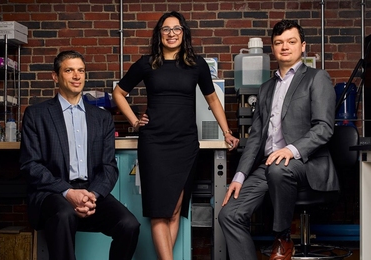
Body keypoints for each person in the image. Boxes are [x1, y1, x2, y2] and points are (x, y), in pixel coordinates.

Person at [112, 11, 239, 260]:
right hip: (154, 144)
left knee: (174, 210)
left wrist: (226, 131)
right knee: (159, 211)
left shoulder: (196, 64)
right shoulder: (146, 64)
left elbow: (212, 98)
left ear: (184, 33)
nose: (172, 34)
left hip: (185, 143)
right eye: (166, 29)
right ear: (159, 35)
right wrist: (135, 122)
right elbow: (118, 93)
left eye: (177, 29)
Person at [218, 19, 339, 260]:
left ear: (302, 46)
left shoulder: (317, 78)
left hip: (306, 163)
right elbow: (254, 138)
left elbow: (324, 128)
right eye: (279, 43)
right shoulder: (265, 88)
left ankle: (282, 237)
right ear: (273, 49)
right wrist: (239, 177)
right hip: (268, 167)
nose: (285, 47)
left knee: (277, 168)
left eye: (291, 42)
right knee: (228, 214)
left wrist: (291, 149)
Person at [20, 50, 140, 260]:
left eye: (81, 71)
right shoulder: (36, 114)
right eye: (69, 70)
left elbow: (109, 167)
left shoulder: (101, 118)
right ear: (55, 76)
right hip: (53, 193)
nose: (77, 76)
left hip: (91, 193)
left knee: (129, 225)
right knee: (64, 215)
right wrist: (68, 192)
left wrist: (92, 195)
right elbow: (31, 165)